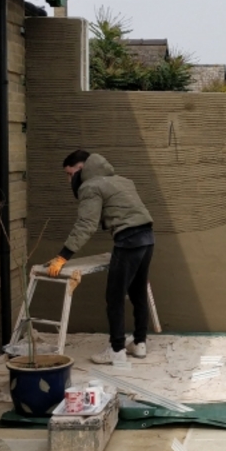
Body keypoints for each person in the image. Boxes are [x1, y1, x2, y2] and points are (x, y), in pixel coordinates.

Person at [46, 150, 155, 365]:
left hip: (128, 241)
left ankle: (116, 351)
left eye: (70, 174)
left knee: (115, 297)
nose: (69, 180)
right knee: (137, 292)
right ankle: (139, 344)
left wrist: (62, 256)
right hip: (147, 238)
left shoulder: (90, 186)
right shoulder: (121, 181)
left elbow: (86, 224)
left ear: (81, 169)